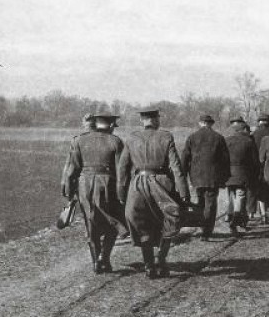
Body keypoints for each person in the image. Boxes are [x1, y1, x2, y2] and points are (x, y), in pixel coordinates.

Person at [117, 108, 189, 279]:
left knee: (141, 223)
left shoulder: (131, 138)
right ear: (156, 120)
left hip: (138, 185)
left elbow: (122, 169)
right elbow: (176, 167)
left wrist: (121, 193)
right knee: (170, 220)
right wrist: (184, 192)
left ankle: (148, 264)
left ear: (143, 121)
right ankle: (161, 260)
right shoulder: (166, 136)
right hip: (162, 184)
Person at [62, 110, 126, 274]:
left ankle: (95, 262)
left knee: (91, 223)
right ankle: (104, 258)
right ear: (111, 125)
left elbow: (71, 170)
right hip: (108, 185)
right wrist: (122, 195)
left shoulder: (79, 141)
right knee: (112, 223)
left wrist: (69, 193)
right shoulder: (116, 141)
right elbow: (121, 172)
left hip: (85, 185)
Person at [181, 114, 230, 241]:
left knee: (200, 202)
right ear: (211, 124)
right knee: (211, 204)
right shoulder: (219, 138)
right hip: (213, 177)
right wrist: (225, 178)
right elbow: (225, 160)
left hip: (196, 177)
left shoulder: (192, 137)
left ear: (200, 123)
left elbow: (185, 158)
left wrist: (183, 176)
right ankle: (206, 232)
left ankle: (201, 226)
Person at [224, 116, 259, 237]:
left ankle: (232, 217)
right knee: (240, 196)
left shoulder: (227, 140)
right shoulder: (249, 142)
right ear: (244, 130)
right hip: (243, 174)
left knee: (232, 196)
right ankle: (235, 220)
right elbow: (255, 161)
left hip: (228, 173)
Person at [250, 114, 269, 223]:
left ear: (259, 122)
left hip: (256, 167)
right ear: (268, 123)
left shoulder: (253, 135)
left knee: (260, 191)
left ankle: (263, 214)